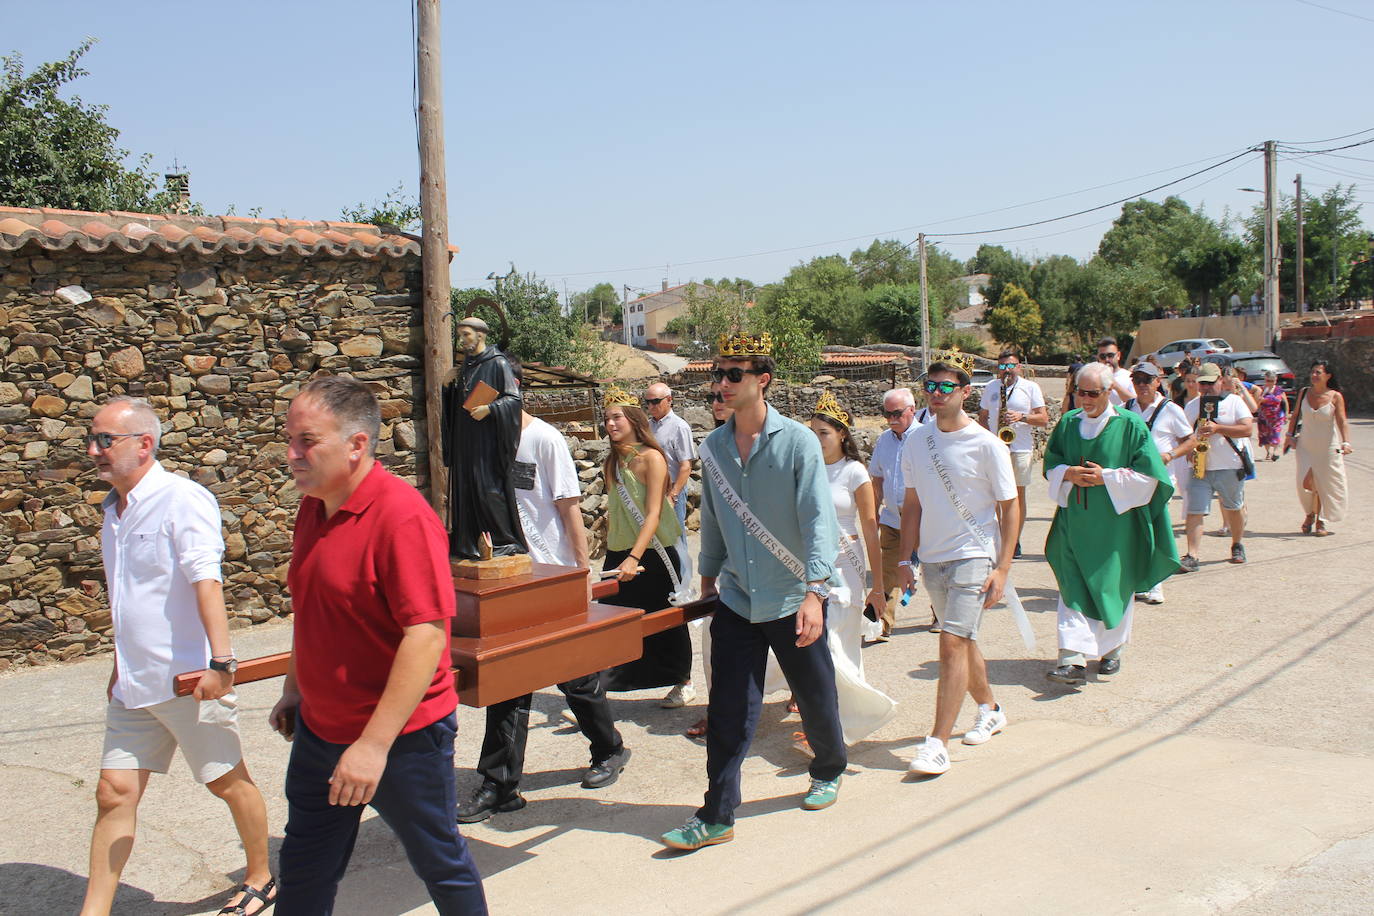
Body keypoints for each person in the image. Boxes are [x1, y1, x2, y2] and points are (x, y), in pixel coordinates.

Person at [270, 376, 487, 914]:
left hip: (402, 739)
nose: (291, 453)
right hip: (322, 732)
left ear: (357, 444)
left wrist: (371, 746)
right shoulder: (314, 506)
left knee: (439, 861)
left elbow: (426, 635)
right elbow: (313, 610)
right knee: (303, 870)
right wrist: (295, 690)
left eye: (306, 440)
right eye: (290, 438)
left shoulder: (401, 516)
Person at [79, 397, 273, 916]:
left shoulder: (181, 499)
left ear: (144, 444)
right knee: (113, 792)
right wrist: (119, 665)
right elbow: (128, 597)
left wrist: (221, 663)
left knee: (226, 781)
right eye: (92, 439)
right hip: (133, 684)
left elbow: (206, 579)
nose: (94, 449)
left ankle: (261, 876)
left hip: (189, 678)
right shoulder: (113, 511)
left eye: (105, 440)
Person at [660, 333, 845, 851]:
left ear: (761, 380)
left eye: (732, 374)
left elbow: (817, 519)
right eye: (716, 374)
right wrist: (707, 580)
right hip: (738, 599)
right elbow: (714, 521)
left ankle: (829, 767)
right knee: (728, 708)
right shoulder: (713, 446)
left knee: (814, 695)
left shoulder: (797, 442)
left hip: (791, 597)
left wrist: (815, 592)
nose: (720, 383)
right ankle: (717, 814)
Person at [457, 361, 630, 825]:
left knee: (575, 674)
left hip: (552, 574)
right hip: (509, 578)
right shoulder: (484, 443)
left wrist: (580, 573)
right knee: (508, 681)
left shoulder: (544, 440)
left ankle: (610, 748)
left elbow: (568, 508)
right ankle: (501, 784)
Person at [896, 362, 1019, 775]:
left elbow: (1010, 506)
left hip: (974, 555)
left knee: (950, 643)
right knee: (963, 642)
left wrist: (1002, 568)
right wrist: (905, 558)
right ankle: (990, 708)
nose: (936, 393)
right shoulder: (916, 442)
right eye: (929, 386)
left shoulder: (987, 445)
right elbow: (911, 505)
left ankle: (937, 743)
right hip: (933, 558)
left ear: (965, 391)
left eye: (945, 386)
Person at [1044, 363, 1179, 685]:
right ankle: (1072, 659)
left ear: (1109, 392)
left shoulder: (1130, 425)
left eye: (1093, 394)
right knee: (1072, 588)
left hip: (1117, 528)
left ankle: (1111, 651)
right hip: (1074, 524)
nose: (1086, 400)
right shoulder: (1067, 423)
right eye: (1080, 392)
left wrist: (1106, 477)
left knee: (1113, 588)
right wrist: (1067, 474)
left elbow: (1150, 477)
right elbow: (1051, 463)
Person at [796, 391, 896, 751]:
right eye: (813, 432)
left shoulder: (855, 472)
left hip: (846, 561)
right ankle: (821, 714)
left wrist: (877, 585)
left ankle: (846, 717)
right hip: (809, 561)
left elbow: (870, 528)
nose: (817, 439)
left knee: (839, 638)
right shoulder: (805, 467)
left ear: (842, 434)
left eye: (823, 432)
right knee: (813, 639)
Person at [599, 385, 692, 696]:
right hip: (620, 551)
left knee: (664, 621)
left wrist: (635, 557)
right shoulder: (610, 462)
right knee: (613, 620)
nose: (611, 424)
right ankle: (606, 685)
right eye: (606, 418)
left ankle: (682, 682)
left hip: (654, 553)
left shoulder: (653, 457)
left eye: (617, 417)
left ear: (633, 419)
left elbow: (653, 513)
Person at [441, 315, 526, 560]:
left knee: (489, 490)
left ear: (481, 335)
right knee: (466, 490)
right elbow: (459, 402)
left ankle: (503, 539)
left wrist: (490, 409)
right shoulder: (466, 364)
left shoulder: (498, 363)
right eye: (460, 335)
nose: (462, 340)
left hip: (488, 443)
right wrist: (448, 387)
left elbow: (513, 399)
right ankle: (470, 543)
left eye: (466, 334)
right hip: (465, 441)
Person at [643, 381, 698, 708]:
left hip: (669, 498)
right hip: (652, 497)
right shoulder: (650, 426)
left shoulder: (679, 427)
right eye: (647, 402)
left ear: (669, 400)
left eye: (656, 401)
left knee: (673, 547)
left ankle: (680, 584)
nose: (651, 406)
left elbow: (686, 465)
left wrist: (674, 494)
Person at [1122, 363, 1195, 605]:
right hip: (1133, 480)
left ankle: (1156, 583)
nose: (1141, 384)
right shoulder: (1126, 409)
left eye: (1147, 380)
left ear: (1157, 381)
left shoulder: (1171, 409)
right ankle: (1140, 582)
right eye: (1137, 379)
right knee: (1135, 532)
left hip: (1159, 480)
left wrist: (1170, 455)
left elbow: (1190, 440)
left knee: (1156, 529)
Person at [1178, 362, 1255, 572]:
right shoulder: (1193, 405)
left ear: (1220, 381)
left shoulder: (1235, 402)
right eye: (1202, 384)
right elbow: (1183, 434)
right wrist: (1188, 452)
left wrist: (1219, 428)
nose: (1205, 388)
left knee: (1234, 508)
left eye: (1210, 383)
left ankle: (1237, 544)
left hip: (1230, 465)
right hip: (1201, 466)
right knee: (1195, 510)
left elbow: (1247, 429)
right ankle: (1192, 555)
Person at [977, 348, 1048, 558]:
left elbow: (1043, 419)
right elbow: (982, 416)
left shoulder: (1030, 387)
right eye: (1002, 366)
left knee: (1017, 496)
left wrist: (1021, 417)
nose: (1006, 370)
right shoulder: (991, 387)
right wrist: (987, 436)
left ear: (1018, 367)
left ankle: (1014, 539)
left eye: (1010, 365)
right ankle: (1000, 536)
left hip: (1020, 448)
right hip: (995, 448)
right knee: (996, 496)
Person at [867, 386, 922, 639]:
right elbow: (876, 479)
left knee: (933, 568)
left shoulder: (926, 438)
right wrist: (874, 512)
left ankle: (941, 613)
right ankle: (882, 623)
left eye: (897, 413)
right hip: (891, 517)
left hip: (923, 518)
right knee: (887, 570)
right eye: (886, 414)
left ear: (912, 410)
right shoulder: (884, 440)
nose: (891, 419)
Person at [1287, 361, 1352, 537]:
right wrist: (1289, 436)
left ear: (1328, 376)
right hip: (1305, 446)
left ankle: (1320, 520)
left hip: (1328, 447)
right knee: (1304, 483)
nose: (1314, 375)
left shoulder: (1335, 396)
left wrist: (1346, 442)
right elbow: (1295, 416)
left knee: (1324, 483)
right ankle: (1309, 512)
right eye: (1313, 372)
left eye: (1318, 372)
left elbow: (1342, 421)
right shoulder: (1304, 392)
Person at [1256, 370, 1288, 461]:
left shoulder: (1279, 390)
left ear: (1276, 380)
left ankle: (1274, 452)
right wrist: (1260, 400)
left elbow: (1284, 403)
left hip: (1277, 417)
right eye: (1268, 381)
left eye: (1272, 381)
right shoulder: (1262, 390)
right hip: (1264, 417)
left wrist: (1286, 415)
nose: (1269, 383)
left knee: (1275, 434)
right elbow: (1256, 404)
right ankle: (1268, 452)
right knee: (1265, 435)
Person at [1096, 337, 1134, 406]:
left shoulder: (1129, 377)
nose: (1107, 359)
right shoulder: (1093, 377)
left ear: (1118, 355)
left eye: (1110, 355)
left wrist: (1113, 383)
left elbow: (1134, 402)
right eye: (1102, 356)